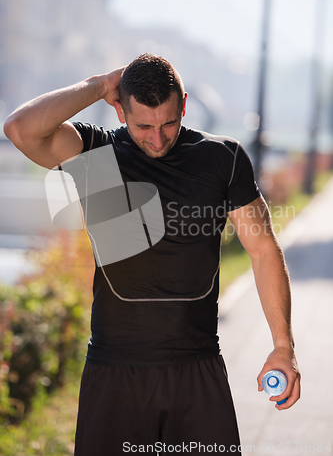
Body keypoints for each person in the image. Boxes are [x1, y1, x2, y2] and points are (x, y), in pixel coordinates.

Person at [4, 53, 300, 455]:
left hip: (197, 368)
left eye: (168, 123)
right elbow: (20, 129)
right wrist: (98, 85)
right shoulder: (96, 153)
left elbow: (263, 249)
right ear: (121, 111)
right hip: (114, 371)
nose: (157, 139)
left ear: (184, 105)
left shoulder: (221, 157)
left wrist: (283, 345)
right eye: (144, 126)